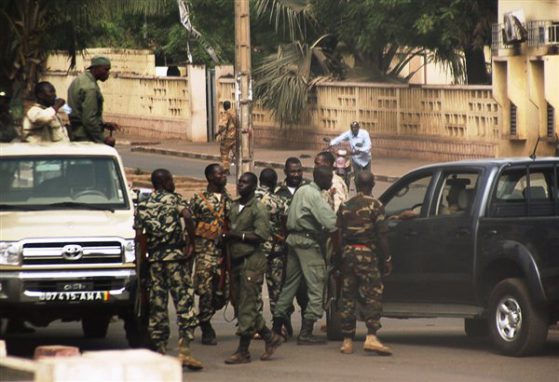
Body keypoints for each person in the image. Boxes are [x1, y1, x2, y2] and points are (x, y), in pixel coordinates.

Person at [134, 169, 202, 370]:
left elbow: (140, 234)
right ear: (164, 182)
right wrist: (191, 243)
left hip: (155, 261)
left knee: (158, 305)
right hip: (175, 259)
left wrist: (146, 259)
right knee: (184, 303)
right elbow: (188, 216)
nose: (173, 182)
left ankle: (161, 350)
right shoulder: (175, 200)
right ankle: (184, 351)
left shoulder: (145, 203)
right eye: (171, 179)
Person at [222, 172, 283, 364]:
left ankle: (243, 351)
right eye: (239, 182)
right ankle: (269, 336)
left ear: (254, 186)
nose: (241, 185)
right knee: (241, 305)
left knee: (248, 306)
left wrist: (236, 236)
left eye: (245, 182)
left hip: (252, 261)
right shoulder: (233, 206)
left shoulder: (258, 208)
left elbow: (261, 235)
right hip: (236, 261)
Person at [273, 166, 338, 345]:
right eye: (329, 178)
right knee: (317, 284)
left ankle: (276, 327)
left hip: (293, 240)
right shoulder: (314, 195)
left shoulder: (302, 190)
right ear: (320, 178)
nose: (331, 182)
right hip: (307, 242)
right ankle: (306, 332)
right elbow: (331, 223)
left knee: (289, 285)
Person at [335, 171, 392, 356]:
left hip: (348, 254)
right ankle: (371, 336)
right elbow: (382, 235)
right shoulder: (376, 206)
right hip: (367, 255)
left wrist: (339, 258)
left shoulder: (345, 206)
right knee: (372, 295)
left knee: (348, 296)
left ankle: (347, 340)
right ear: (373, 184)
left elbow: (339, 235)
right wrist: (387, 259)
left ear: (355, 184)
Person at [190, 163, 230, 345]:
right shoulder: (199, 199)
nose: (223, 175)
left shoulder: (229, 200)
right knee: (205, 290)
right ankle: (205, 324)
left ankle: (206, 315)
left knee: (224, 292)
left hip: (224, 253)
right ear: (210, 177)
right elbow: (190, 224)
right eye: (219, 173)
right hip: (205, 252)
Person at [274, 157, 309, 337]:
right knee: (282, 290)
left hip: (304, 249)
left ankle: (305, 329)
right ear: (285, 172)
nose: (296, 174)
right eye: (292, 171)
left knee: (304, 292)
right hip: (282, 251)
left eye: (299, 171)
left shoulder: (309, 190)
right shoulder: (278, 192)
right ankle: (284, 326)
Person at [255, 168, 287, 321]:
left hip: (253, 251)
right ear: (274, 183)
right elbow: (286, 224)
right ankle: (278, 324)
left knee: (254, 290)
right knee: (276, 290)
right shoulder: (278, 201)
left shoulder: (248, 199)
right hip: (275, 251)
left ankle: (256, 325)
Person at [67, 55, 118, 146]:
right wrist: (102, 140)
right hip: (86, 137)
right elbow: (89, 120)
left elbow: (79, 110)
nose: (108, 73)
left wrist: (103, 124)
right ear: (96, 69)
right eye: (105, 70)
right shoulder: (90, 88)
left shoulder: (79, 80)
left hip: (75, 133)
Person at [215, 100, 238, 175]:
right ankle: (242, 168)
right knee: (237, 153)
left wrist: (218, 132)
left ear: (224, 107)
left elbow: (223, 125)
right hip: (236, 137)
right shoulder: (235, 113)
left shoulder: (226, 114)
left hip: (227, 137)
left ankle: (226, 170)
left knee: (224, 154)